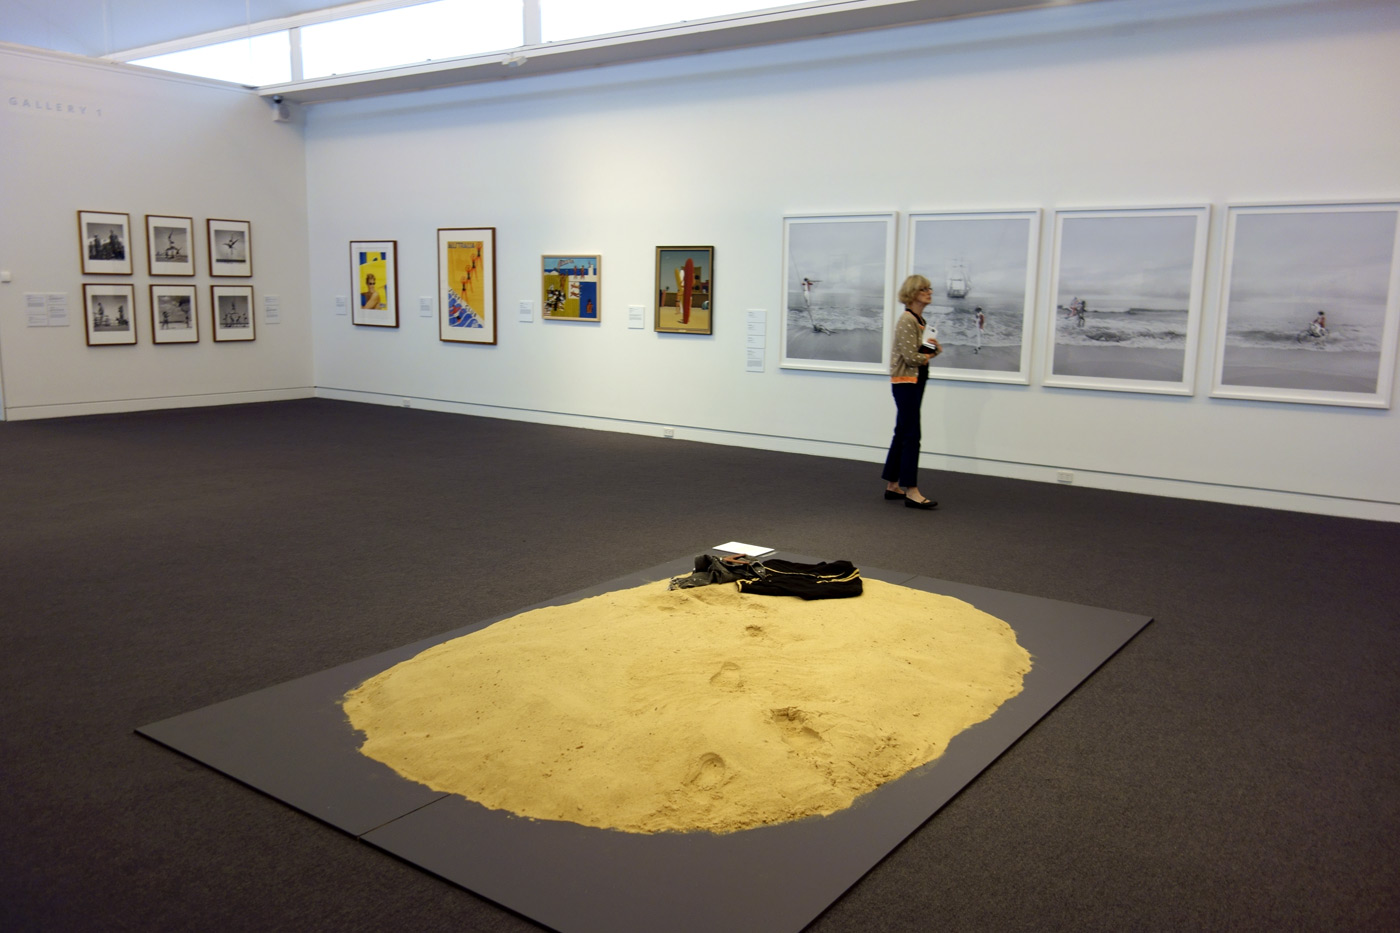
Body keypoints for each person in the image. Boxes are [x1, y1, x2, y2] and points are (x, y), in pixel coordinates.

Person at [882, 275, 939, 510]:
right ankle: (911, 490)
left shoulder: (918, 319)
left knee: (903, 430)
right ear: (913, 293)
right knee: (912, 434)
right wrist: (931, 354)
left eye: (929, 288)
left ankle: (892, 484)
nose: (929, 292)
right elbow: (911, 357)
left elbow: (916, 353)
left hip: (914, 379)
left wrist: (929, 349)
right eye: (924, 289)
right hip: (906, 381)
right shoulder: (907, 320)